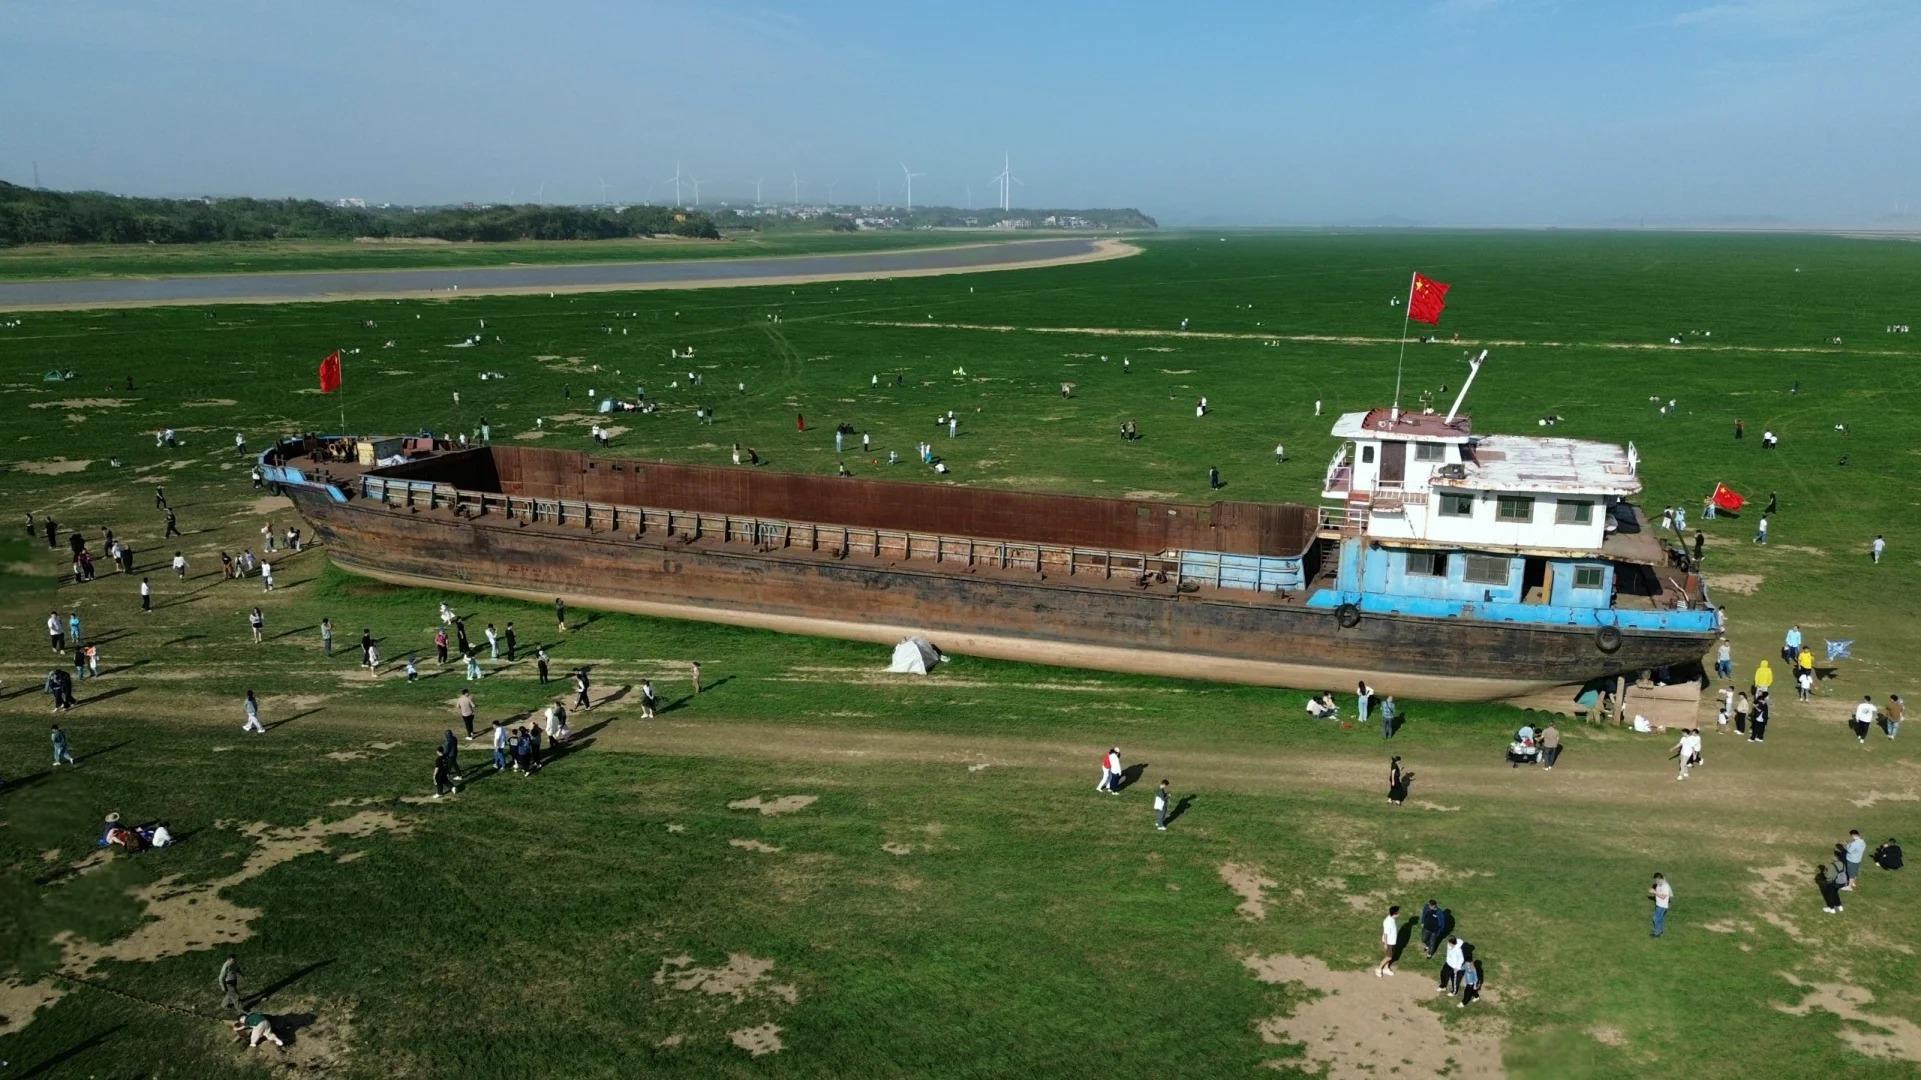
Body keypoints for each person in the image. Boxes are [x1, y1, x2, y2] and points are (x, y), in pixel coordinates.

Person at [1376, 905, 1401, 977]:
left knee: (1390, 956)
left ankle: (1386, 968)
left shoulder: (1392, 919)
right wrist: (1386, 944)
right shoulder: (1388, 921)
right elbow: (1386, 934)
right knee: (1388, 957)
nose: (1399, 913)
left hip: (1392, 942)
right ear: (1395, 914)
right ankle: (1379, 968)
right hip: (1389, 942)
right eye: (1398, 912)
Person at [1649, 873, 1673, 937]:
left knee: (1656, 918)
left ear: (1660, 879)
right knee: (1660, 919)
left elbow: (1663, 897)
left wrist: (1654, 892)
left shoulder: (1665, 886)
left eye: (1657, 880)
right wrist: (1654, 891)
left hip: (1662, 906)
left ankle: (1656, 933)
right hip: (1659, 905)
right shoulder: (1659, 884)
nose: (1656, 882)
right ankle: (1660, 931)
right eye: (1655, 880)